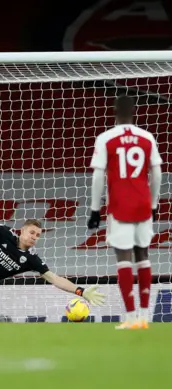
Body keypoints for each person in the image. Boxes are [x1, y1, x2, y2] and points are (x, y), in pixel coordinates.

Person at [87, 95, 162, 330]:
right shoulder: (146, 137)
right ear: (134, 111)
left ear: (114, 111)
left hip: (120, 205)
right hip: (142, 203)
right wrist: (153, 203)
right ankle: (144, 316)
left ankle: (130, 317)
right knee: (143, 256)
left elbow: (98, 175)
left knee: (123, 259)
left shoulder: (106, 138)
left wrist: (94, 208)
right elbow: (157, 172)